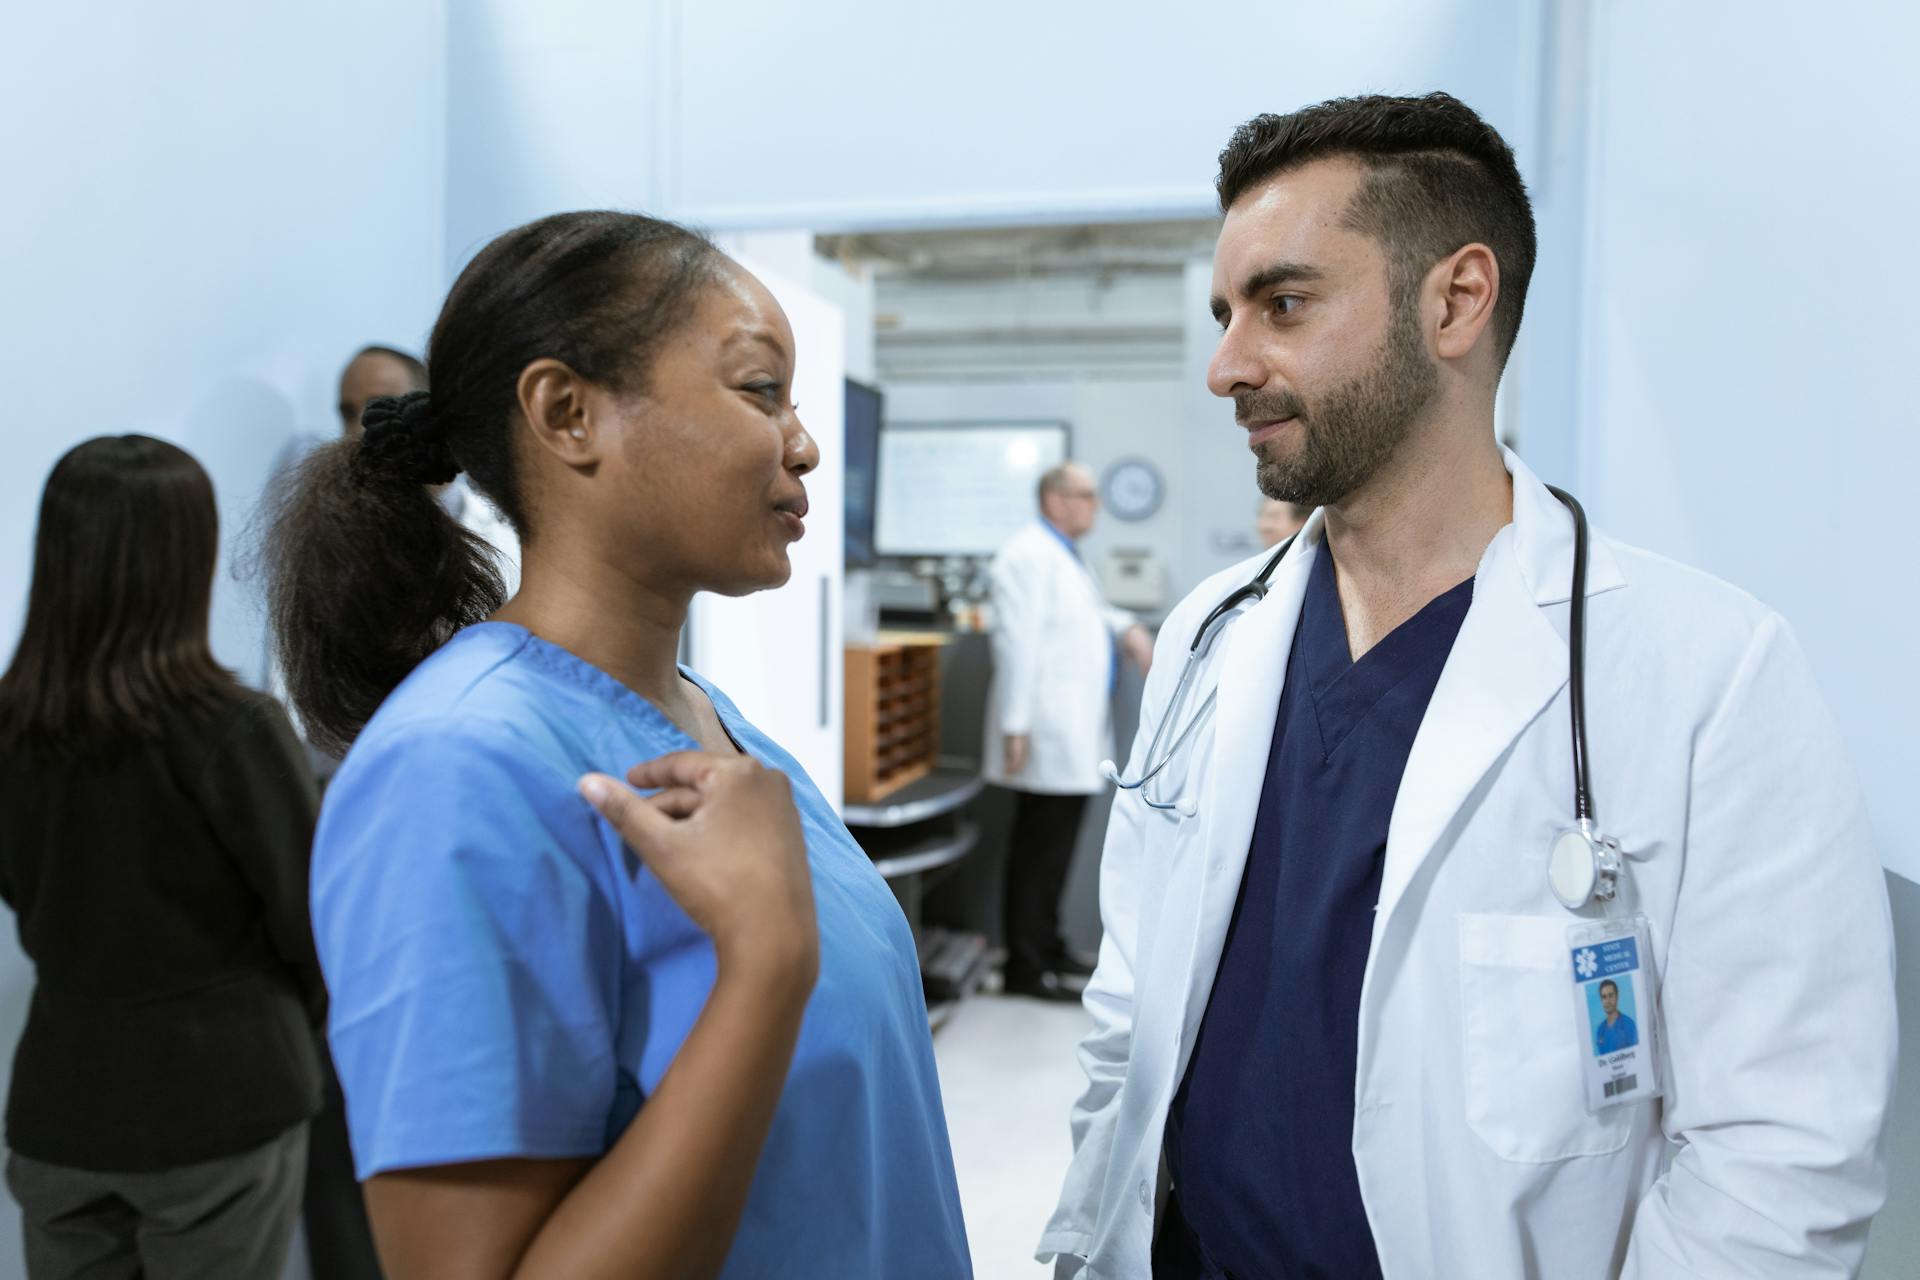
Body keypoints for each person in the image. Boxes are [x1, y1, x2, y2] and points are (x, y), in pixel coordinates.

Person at [1039, 93, 1894, 1280]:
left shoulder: (1706, 674)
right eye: (1227, 312)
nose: (1227, 364)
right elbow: (1131, 1013)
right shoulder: (1209, 637)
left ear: (1455, 300)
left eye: (1281, 304)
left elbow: (1781, 1152)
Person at [264, 210, 969, 1279]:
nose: (804, 442)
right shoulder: (456, 766)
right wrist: (763, 970)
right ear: (568, 412)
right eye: (757, 388)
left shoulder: (707, 713)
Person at [0, 436, 324, 1280]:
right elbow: (311, 919)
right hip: (223, 1099)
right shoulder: (234, 730)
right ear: (189, 556)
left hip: (61, 1104)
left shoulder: (10, 731)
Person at [984, 461, 1153, 1002]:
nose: (1094, 506)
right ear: (1055, 500)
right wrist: (1015, 727)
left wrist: (1126, 627)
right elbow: (1017, 645)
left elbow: (1089, 612)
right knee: (1039, 850)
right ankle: (1025, 967)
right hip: (1043, 730)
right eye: (1085, 495)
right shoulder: (1026, 556)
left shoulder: (1060, 555)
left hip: (1070, 729)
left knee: (1053, 850)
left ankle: (1048, 945)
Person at [1594, 979, 1638, 1055]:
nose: (1607, 1001)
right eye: (1604, 997)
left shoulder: (1628, 1024)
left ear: (1617, 997)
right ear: (1601, 1000)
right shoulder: (1600, 1030)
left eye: (1610, 995)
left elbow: (1637, 1054)